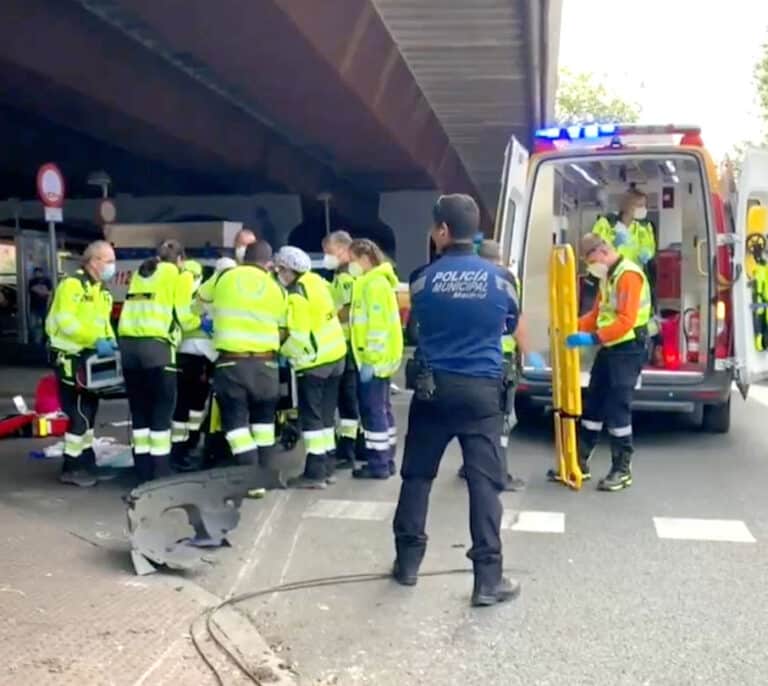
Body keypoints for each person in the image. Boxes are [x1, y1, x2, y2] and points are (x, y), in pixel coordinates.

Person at [392, 194, 520, 607]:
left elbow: (415, 332)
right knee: (484, 485)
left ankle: (408, 563)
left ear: (443, 231)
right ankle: (488, 580)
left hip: (433, 389)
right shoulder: (503, 280)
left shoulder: (420, 279)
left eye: (434, 228)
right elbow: (511, 323)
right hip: (482, 390)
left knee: (417, 477)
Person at [562, 233, 650, 491]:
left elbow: (625, 320)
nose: (590, 267)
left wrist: (591, 338)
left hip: (627, 348)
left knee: (617, 408)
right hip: (612, 347)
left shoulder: (628, 276)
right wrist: (572, 327)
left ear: (601, 252)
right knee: (595, 402)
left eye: (589, 260)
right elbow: (599, 313)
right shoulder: (609, 276)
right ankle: (580, 461)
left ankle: (622, 468)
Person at [455, 239, 544, 491]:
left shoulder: (463, 277)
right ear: (499, 258)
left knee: (473, 415)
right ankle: (498, 474)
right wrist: (529, 353)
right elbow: (515, 321)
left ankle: (470, 465)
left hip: (467, 358)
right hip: (498, 360)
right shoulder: (503, 279)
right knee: (503, 418)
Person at [118, 240, 200, 483]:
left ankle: (142, 471)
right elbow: (184, 317)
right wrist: (201, 323)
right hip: (157, 350)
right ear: (181, 259)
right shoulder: (179, 275)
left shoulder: (141, 273)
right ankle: (161, 472)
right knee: (162, 414)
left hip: (128, 348)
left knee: (140, 412)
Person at [45, 241, 117, 487]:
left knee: (89, 412)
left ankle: (87, 462)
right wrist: (94, 339)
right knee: (79, 414)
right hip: (70, 356)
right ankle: (71, 467)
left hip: (90, 356)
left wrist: (110, 341)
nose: (112, 266)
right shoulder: (73, 285)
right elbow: (65, 322)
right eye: (108, 260)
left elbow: (103, 322)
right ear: (94, 261)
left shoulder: (101, 289)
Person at [209, 242, 287, 468]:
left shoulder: (225, 277)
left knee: (235, 425)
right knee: (264, 424)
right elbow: (283, 328)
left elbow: (200, 301)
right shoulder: (277, 288)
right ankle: (265, 475)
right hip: (266, 366)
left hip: (232, 364)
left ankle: (250, 476)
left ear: (243, 258)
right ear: (269, 263)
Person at [275, 246, 347, 488]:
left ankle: (315, 473)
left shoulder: (296, 296)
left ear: (289, 270)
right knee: (327, 417)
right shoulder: (317, 281)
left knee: (312, 418)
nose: (279, 274)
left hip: (315, 363)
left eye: (280, 270)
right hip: (337, 357)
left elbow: (298, 337)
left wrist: (280, 350)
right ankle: (328, 467)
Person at [348, 239, 404, 480]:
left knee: (373, 412)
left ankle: (378, 464)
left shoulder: (374, 285)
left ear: (363, 258)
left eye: (352, 259)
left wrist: (369, 358)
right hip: (381, 357)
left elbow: (377, 327)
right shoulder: (378, 282)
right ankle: (387, 457)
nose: (350, 265)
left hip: (375, 359)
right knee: (383, 410)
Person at [170, 260, 215, 471]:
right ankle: (185, 449)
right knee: (190, 407)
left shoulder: (179, 295)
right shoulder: (199, 297)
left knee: (186, 407)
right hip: (196, 357)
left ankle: (185, 448)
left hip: (185, 357)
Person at [321, 230, 360, 469]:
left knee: (347, 401)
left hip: (347, 345)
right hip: (345, 345)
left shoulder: (347, 276)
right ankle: (349, 446)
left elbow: (346, 309)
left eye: (330, 252)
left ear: (344, 250)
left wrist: (327, 317)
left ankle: (348, 449)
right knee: (347, 401)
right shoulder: (341, 273)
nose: (327, 257)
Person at [592, 189, 656, 268]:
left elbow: (650, 248)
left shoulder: (645, 226)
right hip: (612, 274)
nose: (643, 209)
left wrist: (647, 253)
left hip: (634, 273)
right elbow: (594, 251)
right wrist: (613, 244)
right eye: (639, 206)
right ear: (626, 206)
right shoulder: (606, 223)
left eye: (644, 206)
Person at [28, 266, 52, 346]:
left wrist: (43, 291)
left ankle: (45, 341)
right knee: (33, 326)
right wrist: (43, 290)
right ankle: (36, 342)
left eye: (39, 272)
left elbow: (49, 292)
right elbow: (34, 289)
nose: (38, 274)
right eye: (36, 273)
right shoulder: (32, 281)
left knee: (46, 325)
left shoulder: (47, 281)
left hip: (45, 306)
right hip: (34, 306)